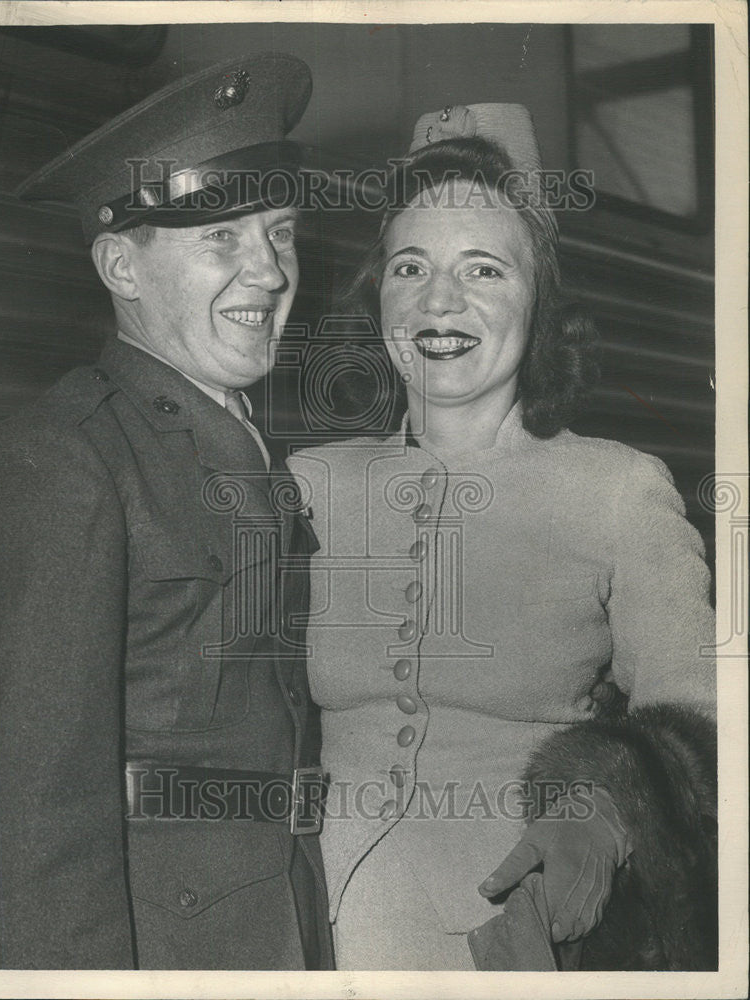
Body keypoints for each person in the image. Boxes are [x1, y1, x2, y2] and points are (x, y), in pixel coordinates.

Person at [287, 104, 716, 970]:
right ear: (379, 296)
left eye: (484, 269)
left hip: (512, 929)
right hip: (296, 916)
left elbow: (708, 713)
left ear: (541, 303)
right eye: (412, 266)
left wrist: (603, 808)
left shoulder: (618, 488)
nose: (440, 300)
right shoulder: (303, 484)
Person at [0, 53, 333, 971]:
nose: (269, 270)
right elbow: (29, 817)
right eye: (220, 238)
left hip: (277, 930)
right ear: (120, 264)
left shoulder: (243, 442)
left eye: (281, 231)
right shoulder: (64, 459)